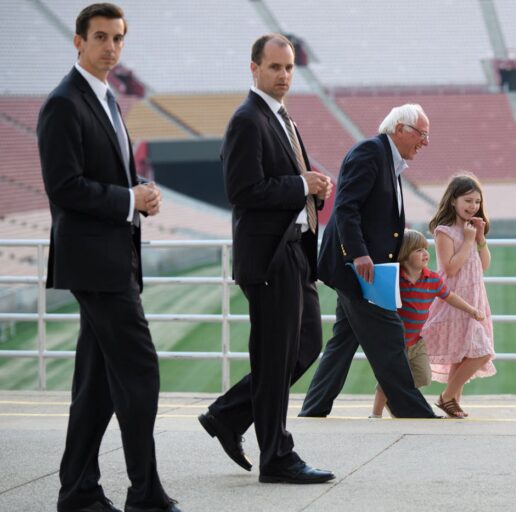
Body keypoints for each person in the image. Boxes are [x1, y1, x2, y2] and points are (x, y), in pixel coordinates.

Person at [37, 3, 179, 511]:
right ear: (78, 41)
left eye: (118, 38)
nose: (110, 47)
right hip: (94, 266)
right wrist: (128, 201)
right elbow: (64, 187)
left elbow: (102, 176)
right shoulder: (63, 103)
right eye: (100, 37)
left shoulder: (106, 99)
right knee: (140, 370)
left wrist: (137, 191)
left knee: (95, 383)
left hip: (113, 258)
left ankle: (78, 492)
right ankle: (145, 493)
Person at [196, 33, 335, 484]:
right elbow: (242, 191)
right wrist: (302, 186)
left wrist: (314, 186)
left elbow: (287, 182)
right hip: (270, 258)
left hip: (295, 250)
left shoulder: (281, 118)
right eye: (275, 67)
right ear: (254, 68)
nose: (283, 75)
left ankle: (228, 415)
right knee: (276, 357)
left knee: (307, 345)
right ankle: (276, 457)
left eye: (290, 68)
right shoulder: (247, 120)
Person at [299, 104, 439, 419]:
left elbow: (371, 213)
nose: (426, 142)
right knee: (389, 334)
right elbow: (347, 208)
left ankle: (313, 409)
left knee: (343, 342)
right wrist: (360, 253)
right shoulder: (369, 153)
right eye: (422, 134)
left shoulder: (386, 158)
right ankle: (414, 411)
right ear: (400, 129)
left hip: (361, 267)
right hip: (357, 268)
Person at [370, 229, 485, 418]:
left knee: (423, 377)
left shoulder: (431, 279)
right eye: (418, 250)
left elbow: (450, 296)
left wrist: (471, 310)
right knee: (388, 379)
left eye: (425, 249)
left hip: (416, 341)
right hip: (396, 343)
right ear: (405, 255)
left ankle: (396, 396)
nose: (425, 253)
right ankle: (376, 414)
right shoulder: (396, 279)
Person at [420, 174, 496, 418]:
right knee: (482, 351)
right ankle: (447, 397)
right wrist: (468, 241)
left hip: (474, 298)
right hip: (454, 300)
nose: (473, 206)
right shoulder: (445, 231)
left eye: (477, 202)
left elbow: (484, 265)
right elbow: (450, 268)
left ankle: (452, 402)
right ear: (453, 200)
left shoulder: (471, 230)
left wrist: (480, 239)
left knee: (462, 354)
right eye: (467, 200)